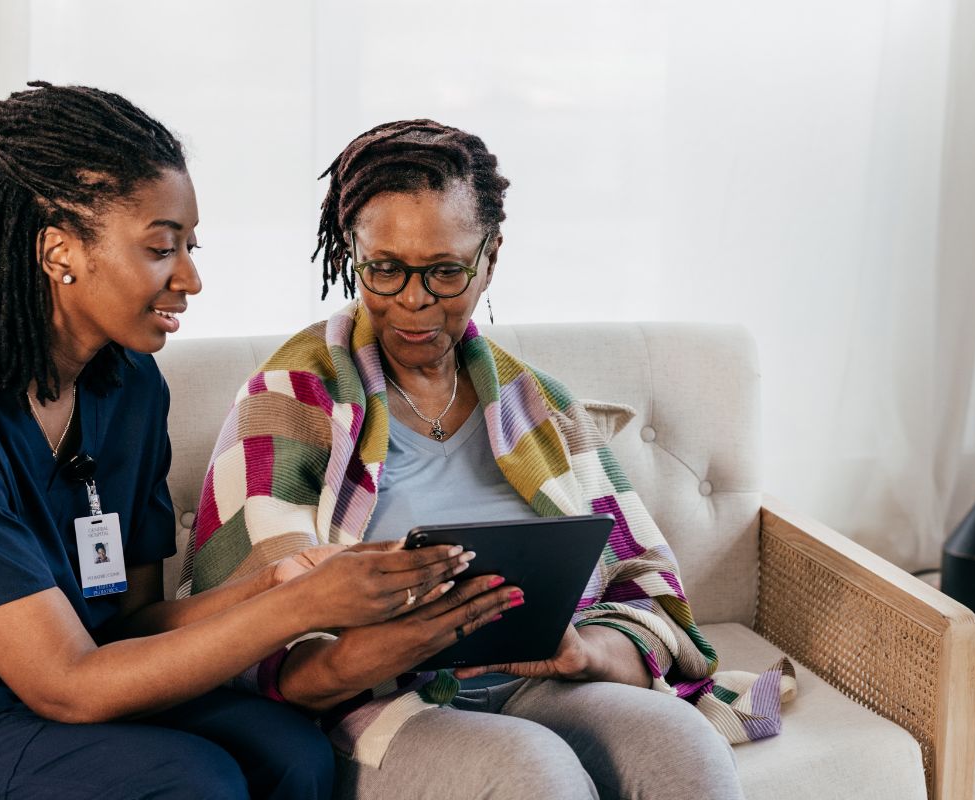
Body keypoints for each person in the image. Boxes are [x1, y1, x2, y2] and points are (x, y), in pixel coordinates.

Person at [0, 85, 504, 800]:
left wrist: (283, 583)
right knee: (187, 782)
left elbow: (128, 625)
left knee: (292, 753)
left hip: (26, 696)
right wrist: (300, 606)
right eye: (160, 248)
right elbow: (66, 683)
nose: (191, 278)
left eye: (191, 246)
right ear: (59, 251)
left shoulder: (130, 388)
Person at [185, 120, 787, 800]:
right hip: (378, 704)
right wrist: (368, 651)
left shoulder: (540, 407)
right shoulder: (289, 399)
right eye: (385, 269)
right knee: (534, 774)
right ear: (353, 254)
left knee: (685, 748)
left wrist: (582, 652)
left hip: (539, 683)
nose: (414, 301)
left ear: (490, 258)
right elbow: (247, 635)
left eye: (446, 271)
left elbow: (646, 590)